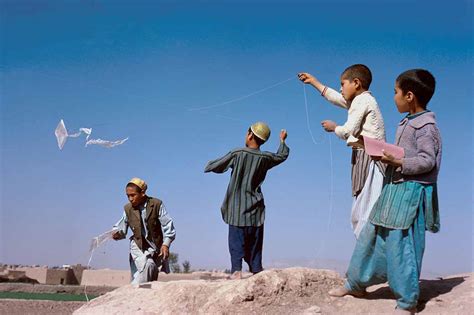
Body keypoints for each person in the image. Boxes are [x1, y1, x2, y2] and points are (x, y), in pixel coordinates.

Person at [329, 69, 442, 314]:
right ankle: (356, 283)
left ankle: (407, 301)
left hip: (410, 192)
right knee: (371, 235)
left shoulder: (427, 126)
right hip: (394, 189)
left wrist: (400, 163)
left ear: (409, 95)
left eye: (395, 92)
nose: (393, 97)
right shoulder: (406, 122)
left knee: (402, 245)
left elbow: (427, 161)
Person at [298, 65, 386, 238]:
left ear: (356, 83)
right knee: (361, 209)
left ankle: (366, 257)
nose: (340, 88)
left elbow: (348, 130)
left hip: (369, 158)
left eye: (343, 84)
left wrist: (334, 127)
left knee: (364, 212)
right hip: (364, 156)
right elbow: (336, 98)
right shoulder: (359, 100)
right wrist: (314, 82)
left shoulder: (362, 100)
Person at [204, 122, 289, 279]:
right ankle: (257, 273)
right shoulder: (265, 158)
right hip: (256, 213)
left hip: (237, 212)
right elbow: (281, 156)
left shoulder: (238, 153)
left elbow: (214, 166)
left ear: (250, 134)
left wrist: (209, 165)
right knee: (255, 252)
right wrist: (282, 141)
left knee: (236, 248)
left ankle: (237, 272)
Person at [112, 177, 176, 284]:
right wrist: (117, 234)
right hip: (138, 246)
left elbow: (168, 225)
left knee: (152, 271)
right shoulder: (128, 209)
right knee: (148, 265)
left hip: (155, 246)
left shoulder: (156, 204)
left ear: (142, 193)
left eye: (133, 195)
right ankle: (134, 291)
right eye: (128, 196)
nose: (130, 199)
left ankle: (143, 293)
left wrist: (166, 245)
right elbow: (122, 228)